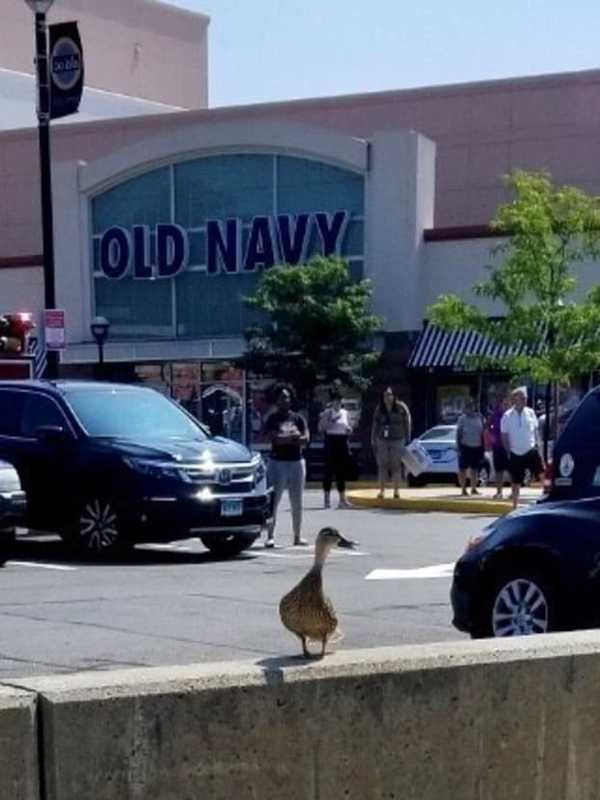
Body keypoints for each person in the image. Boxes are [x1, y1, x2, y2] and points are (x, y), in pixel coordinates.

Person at [263, 385, 310, 548]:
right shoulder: (272, 419)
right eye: (282, 397)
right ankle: (270, 536)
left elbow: (305, 439)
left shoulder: (298, 418)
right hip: (277, 463)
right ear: (277, 400)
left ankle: (297, 536)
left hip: (297, 462)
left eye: (288, 397)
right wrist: (293, 438)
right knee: (273, 501)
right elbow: (274, 439)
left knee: (297, 501)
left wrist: (288, 438)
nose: (285, 400)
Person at [501, 387, 545, 509]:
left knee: (543, 474)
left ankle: (549, 496)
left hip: (531, 449)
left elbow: (536, 433)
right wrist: (508, 451)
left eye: (525, 398)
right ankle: (514, 506)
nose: (525, 400)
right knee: (516, 481)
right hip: (515, 452)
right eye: (522, 398)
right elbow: (504, 435)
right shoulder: (507, 416)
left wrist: (539, 448)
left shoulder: (531, 412)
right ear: (515, 399)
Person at [370, 387, 411, 499]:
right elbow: (375, 424)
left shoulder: (401, 407)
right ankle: (382, 491)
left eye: (389, 395)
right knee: (382, 465)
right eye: (385, 395)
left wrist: (408, 437)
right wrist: (373, 438)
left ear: (393, 396)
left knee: (396, 465)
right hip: (382, 439)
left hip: (398, 439)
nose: (387, 397)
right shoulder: (380, 408)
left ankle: (396, 491)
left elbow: (407, 422)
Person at [318, 387, 353, 509]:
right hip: (331, 442)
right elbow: (321, 428)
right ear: (332, 402)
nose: (337, 403)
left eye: (339, 401)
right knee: (328, 471)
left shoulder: (345, 413)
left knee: (341, 472)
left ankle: (342, 499)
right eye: (335, 401)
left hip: (342, 442)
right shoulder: (327, 413)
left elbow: (349, 427)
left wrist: (349, 430)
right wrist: (331, 421)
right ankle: (326, 499)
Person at [456, 398, 485, 496]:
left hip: (477, 447)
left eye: (471, 406)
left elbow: (483, 432)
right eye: (468, 406)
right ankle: (463, 489)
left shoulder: (480, 417)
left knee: (475, 469)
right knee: (463, 469)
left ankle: (474, 488)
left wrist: (484, 446)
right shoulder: (462, 419)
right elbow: (458, 433)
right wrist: (458, 447)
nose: (470, 408)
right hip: (465, 446)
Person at [487, 395, 510, 499]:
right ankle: (499, 492)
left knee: (511, 470)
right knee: (498, 470)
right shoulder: (495, 415)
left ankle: (513, 492)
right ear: (500, 404)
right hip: (497, 446)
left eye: (507, 404)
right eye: (503, 403)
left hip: (509, 446)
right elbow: (487, 426)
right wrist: (491, 438)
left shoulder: (511, 415)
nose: (505, 405)